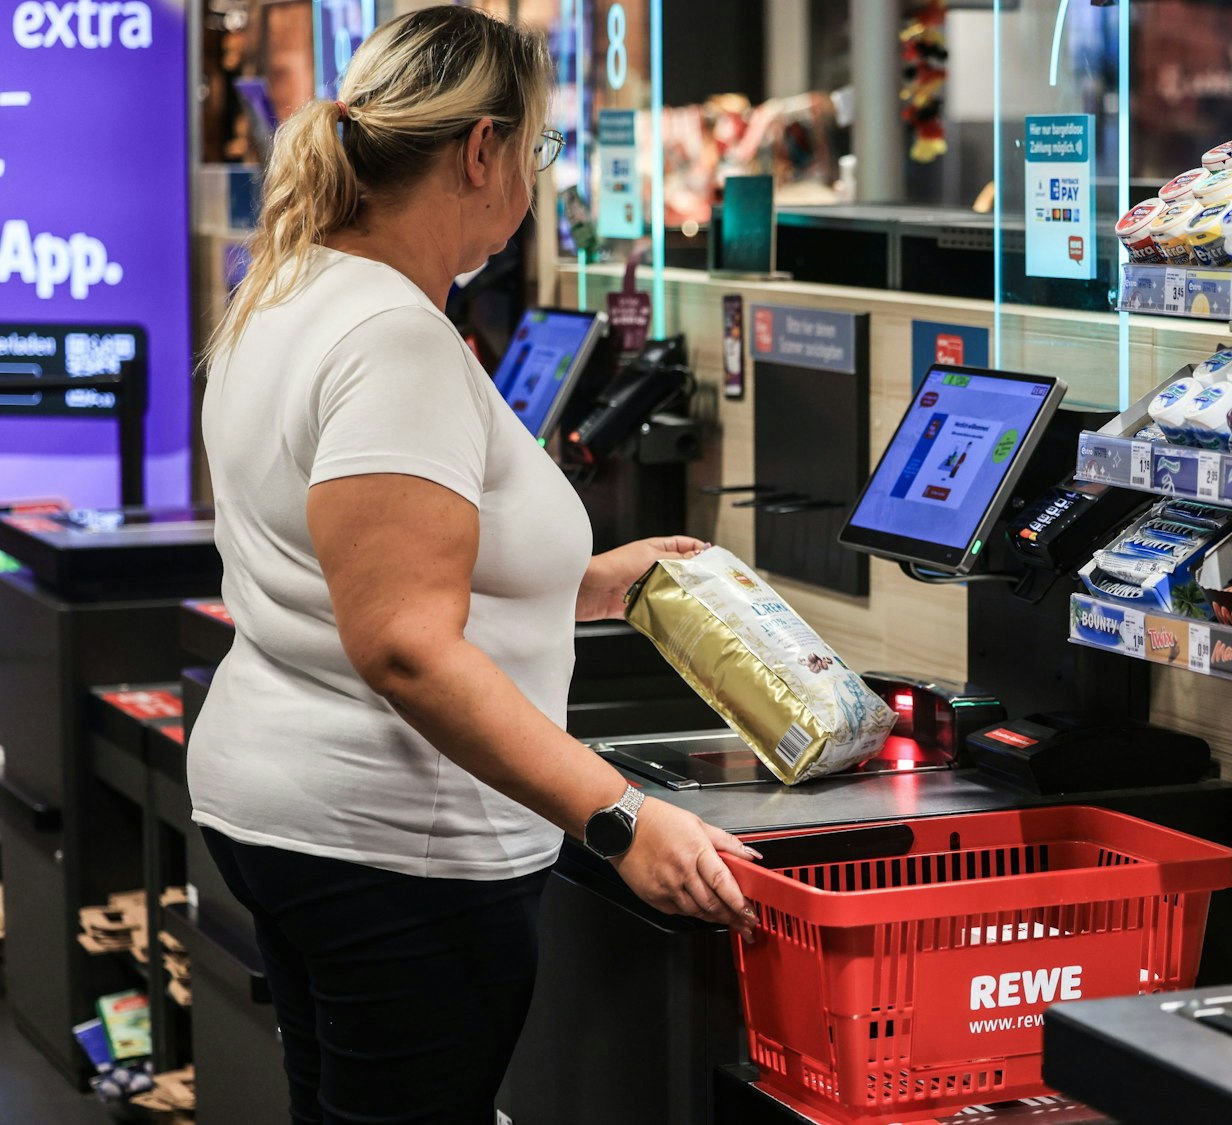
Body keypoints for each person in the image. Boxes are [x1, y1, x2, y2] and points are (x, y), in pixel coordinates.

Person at [191, 9, 756, 1123]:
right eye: (537, 152)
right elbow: (401, 640)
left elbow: (345, 552)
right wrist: (623, 817)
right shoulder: (391, 336)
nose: (533, 183)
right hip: (394, 842)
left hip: (284, 810)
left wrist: (587, 581)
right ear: (481, 150)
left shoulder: (292, 290)